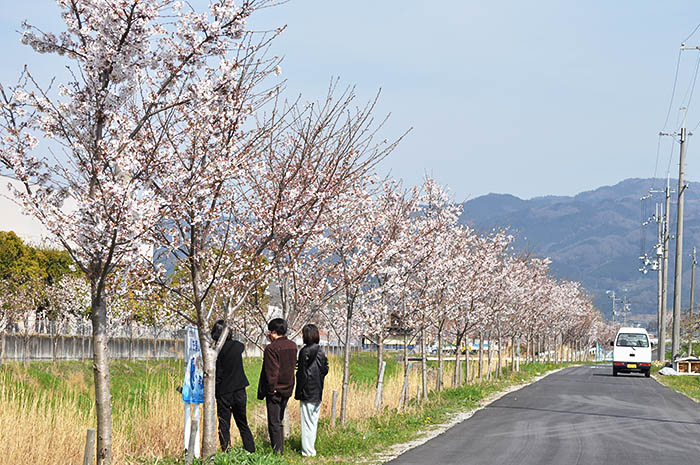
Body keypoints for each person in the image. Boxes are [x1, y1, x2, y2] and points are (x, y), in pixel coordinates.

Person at [211, 320, 255, 453]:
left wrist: (215, 391)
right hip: (240, 390)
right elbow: (241, 346)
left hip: (224, 392)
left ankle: (226, 452)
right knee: (243, 423)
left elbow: (218, 374)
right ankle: (250, 450)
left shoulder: (215, 351)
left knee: (224, 425)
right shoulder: (237, 346)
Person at [257, 318, 298, 454]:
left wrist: (270, 389)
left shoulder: (271, 349)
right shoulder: (293, 345)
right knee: (279, 419)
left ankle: (277, 452)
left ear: (274, 332)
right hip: (288, 387)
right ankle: (280, 448)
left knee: (274, 422)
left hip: (275, 389)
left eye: (270, 332)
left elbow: (271, 371)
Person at [295, 324, 329, 457]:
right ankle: (311, 449)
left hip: (307, 390)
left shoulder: (304, 351)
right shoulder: (321, 351)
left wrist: (298, 392)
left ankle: (308, 451)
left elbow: (302, 374)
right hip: (318, 389)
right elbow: (325, 369)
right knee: (313, 422)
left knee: (306, 422)